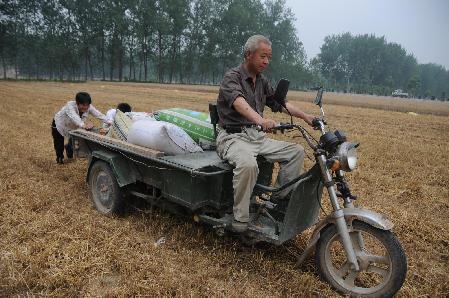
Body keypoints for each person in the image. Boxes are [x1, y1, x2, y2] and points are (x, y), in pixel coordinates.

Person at [216, 35, 316, 232]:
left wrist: (306, 116)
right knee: (248, 164)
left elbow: (281, 103)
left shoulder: (262, 81)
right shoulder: (232, 78)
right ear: (248, 55)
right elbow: (239, 103)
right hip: (233, 137)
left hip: (256, 137)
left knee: (295, 151)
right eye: (263, 56)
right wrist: (261, 120)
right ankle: (240, 219)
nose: (266, 61)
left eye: (269, 57)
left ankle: (278, 202)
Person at [51, 92, 109, 164]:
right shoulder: (70, 106)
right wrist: (84, 125)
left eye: (87, 105)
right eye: (83, 105)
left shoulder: (89, 107)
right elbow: (74, 117)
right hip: (60, 124)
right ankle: (59, 159)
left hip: (74, 126)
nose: (85, 107)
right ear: (77, 103)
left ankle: (69, 149)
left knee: (73, 141)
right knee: (59, 142)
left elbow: (99, 115)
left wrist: (109, 122)